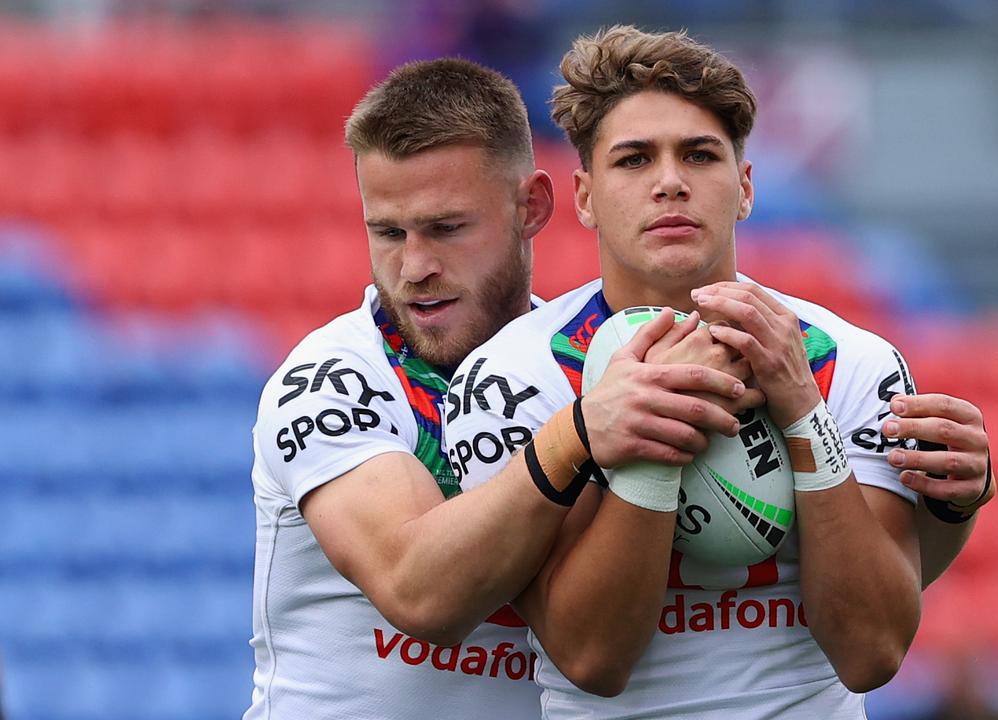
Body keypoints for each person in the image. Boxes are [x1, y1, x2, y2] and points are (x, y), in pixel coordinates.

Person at [442, 25, 996, 719]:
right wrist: (653, 440)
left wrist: (800, 407)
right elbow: (591, 658)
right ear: (584, 197)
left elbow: (870, 652)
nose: (669, 182)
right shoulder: (511, 377)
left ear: (743, 187)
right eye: (634, 160)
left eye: (699, 156)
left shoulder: (847, 361)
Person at [244, 57, 750, 719]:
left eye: (447, 229)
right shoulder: (331, 381)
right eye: (388, 232)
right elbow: (420, 596)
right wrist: (572, 438)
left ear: (531, 207)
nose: (415, 267)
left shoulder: (577, 364)